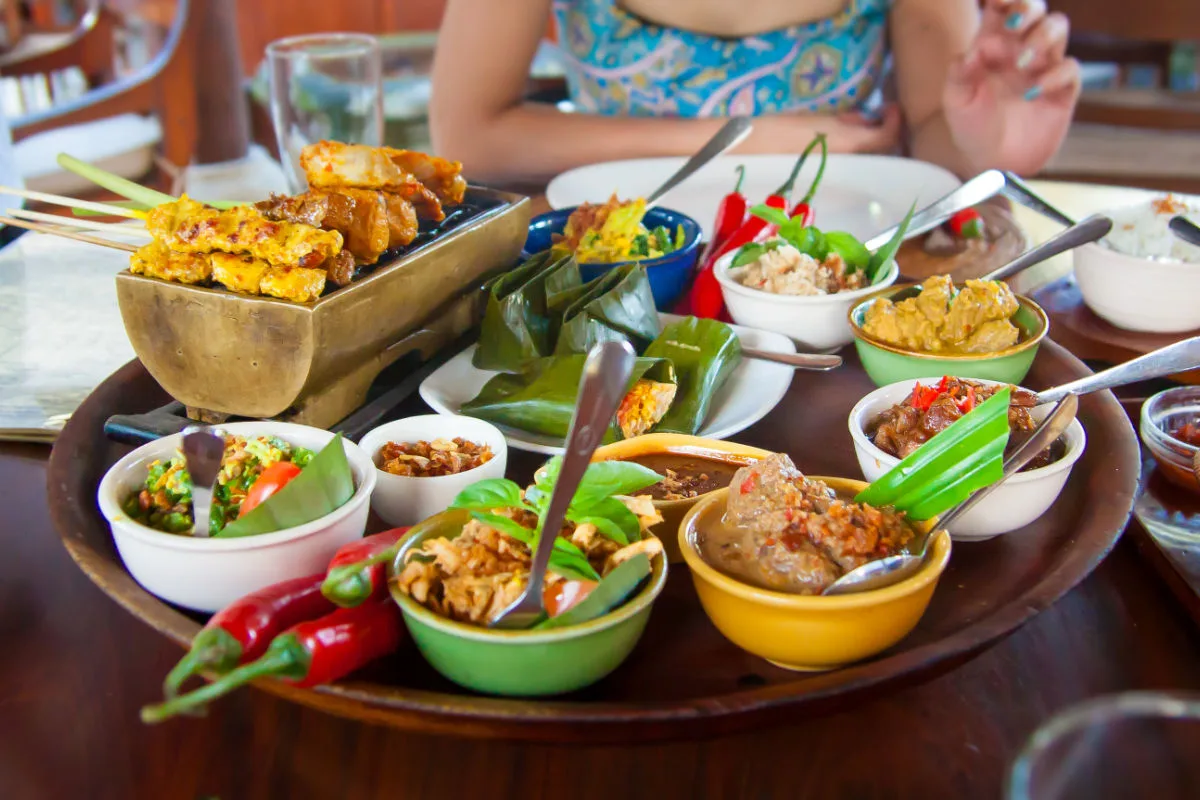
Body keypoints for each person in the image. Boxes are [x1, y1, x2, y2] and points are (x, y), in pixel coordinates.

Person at [431, 0, 1079, 183]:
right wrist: (743, 140)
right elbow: (469, 138)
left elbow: (934, 144)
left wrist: (985, 146)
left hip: (838, 274)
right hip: (617, 263)